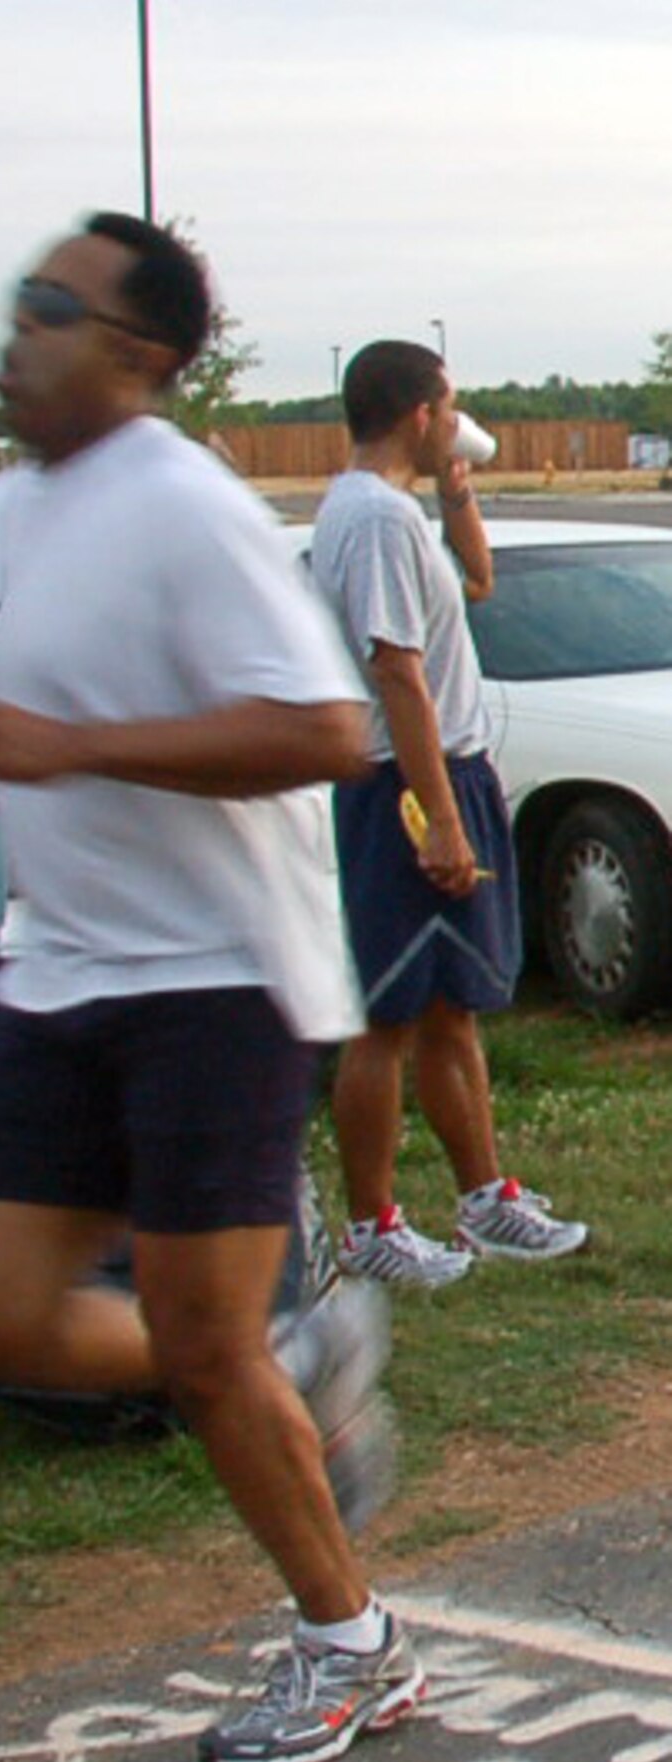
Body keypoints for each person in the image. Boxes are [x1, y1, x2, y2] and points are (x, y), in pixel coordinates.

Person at [0, 214, 425, 1762]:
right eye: (19, 295)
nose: (13, 330)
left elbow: (322, 732)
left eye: (49, 307)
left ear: (138, 356)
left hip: (217, 980)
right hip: (60, 968)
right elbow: (32, 724)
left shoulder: (186, 508)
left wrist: (75, 754)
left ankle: (349, 1645)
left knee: (195, 1346)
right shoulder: (0, 514)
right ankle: (298, 1357)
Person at [310, 343, 587, 1288]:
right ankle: (370, 1227)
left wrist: (459, 488)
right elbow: (397, 672)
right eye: (451, 409)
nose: (456, 421)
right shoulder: (376, 520)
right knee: (387, 1014)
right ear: (418, 413)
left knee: (449, 1007)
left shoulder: (394, 512)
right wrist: (438, 815)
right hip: (407, 783)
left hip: (437, 775)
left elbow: (477, 584)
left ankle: (483, 1198)